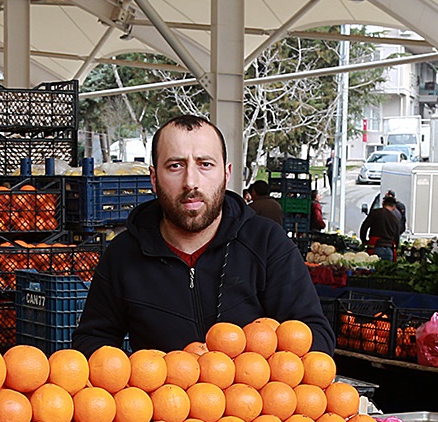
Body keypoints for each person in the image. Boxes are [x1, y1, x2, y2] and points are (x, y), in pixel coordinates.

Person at [73, 114, 335, 354]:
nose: (191, 182)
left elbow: (317, 338)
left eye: (205, 164)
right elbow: (92, 342)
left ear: (226, 174)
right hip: (163, 401)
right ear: (154, 178)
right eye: (175, 166)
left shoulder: (266, 242)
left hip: (253, 402)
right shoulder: (123, 254)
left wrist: (241, 367)